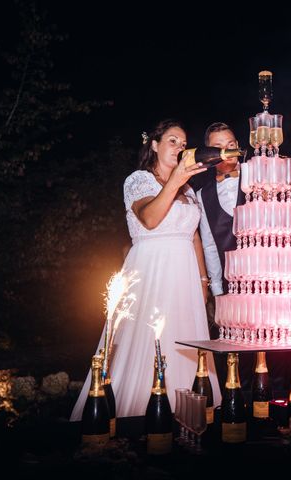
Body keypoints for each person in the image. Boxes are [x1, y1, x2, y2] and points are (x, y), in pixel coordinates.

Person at [70, 119, 221, 420]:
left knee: (188, 346)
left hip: (185, 278)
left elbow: (194, 237)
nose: (179, 147)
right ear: (154, 145)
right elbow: (150, 219)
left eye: (183, 142)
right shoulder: (138, 180)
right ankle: (135, 418)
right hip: (151, 273)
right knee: (146, 342)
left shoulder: (188, 189)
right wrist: (175, 180)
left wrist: (203, 281)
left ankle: (190, 418)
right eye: (172, 141)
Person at [191, 121, 291, 396]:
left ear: (239, 148)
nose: (226, 152)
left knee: (276, 360)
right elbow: (211, 246)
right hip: (234, 291)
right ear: (207, 154)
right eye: (217, 148)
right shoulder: (202, 195)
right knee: (237, 363)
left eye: (230, 146)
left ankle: (276, 417)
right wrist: (217, 291)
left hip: (272, 286)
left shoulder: (258, 175)